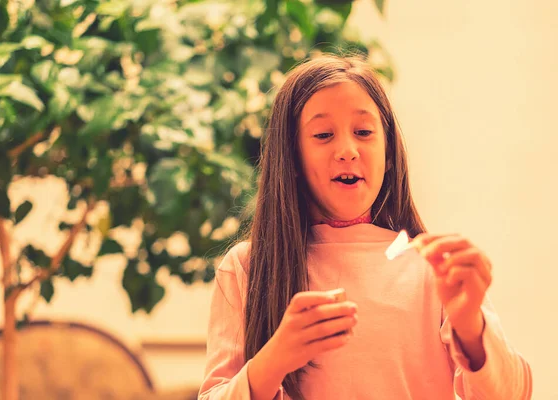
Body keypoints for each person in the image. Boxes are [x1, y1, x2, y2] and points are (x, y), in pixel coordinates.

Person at [198, 54, 532, 400]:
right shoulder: (246, 268)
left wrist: (471, 329)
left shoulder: (433, 270)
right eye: (323, 134)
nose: (347, 150)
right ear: (292, 157)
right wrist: (273, 360)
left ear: (388, 154)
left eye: (363, 132)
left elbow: (512, 393)